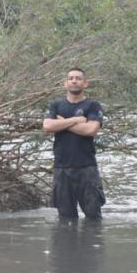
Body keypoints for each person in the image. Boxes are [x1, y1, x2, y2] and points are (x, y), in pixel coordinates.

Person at [42, 67, 105, 220]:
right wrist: (75, 120)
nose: (74, 81)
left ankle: (92, 244)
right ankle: (68, 244)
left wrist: (62, 123)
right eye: (71, 78)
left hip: (87, 168)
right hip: (62, 168)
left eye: (78, 78)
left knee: (93, 217)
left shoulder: (93, 105)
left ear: (85, 83)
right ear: (65, 83)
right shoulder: (56, 105)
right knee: (65, 219)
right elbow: (48, 126)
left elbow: (91, 130)